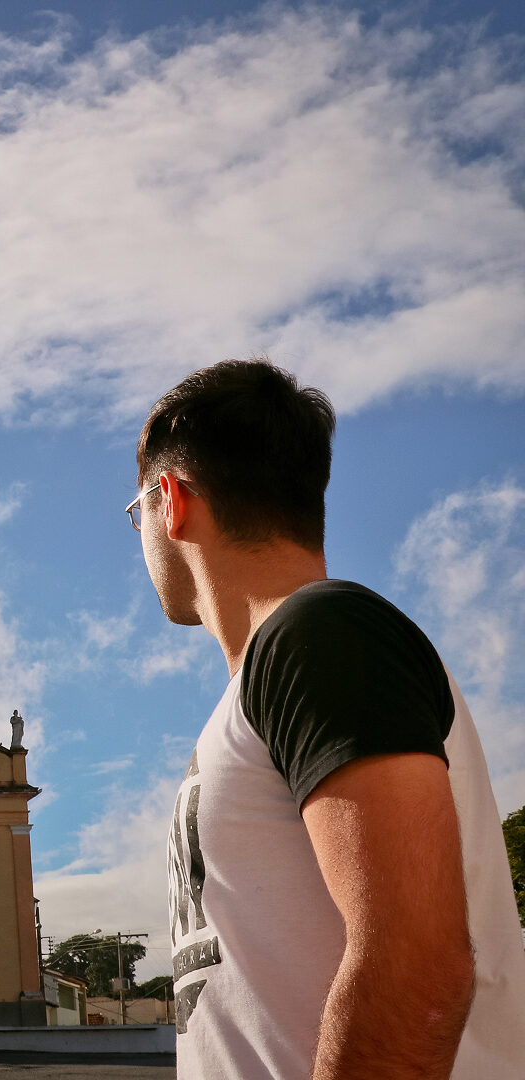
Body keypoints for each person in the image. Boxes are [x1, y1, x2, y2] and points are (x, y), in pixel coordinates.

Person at [130, 359, 525, 1079]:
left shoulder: (318, 633)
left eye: (136, 513)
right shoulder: (274, 671)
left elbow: (418, 970)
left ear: (172, 499)